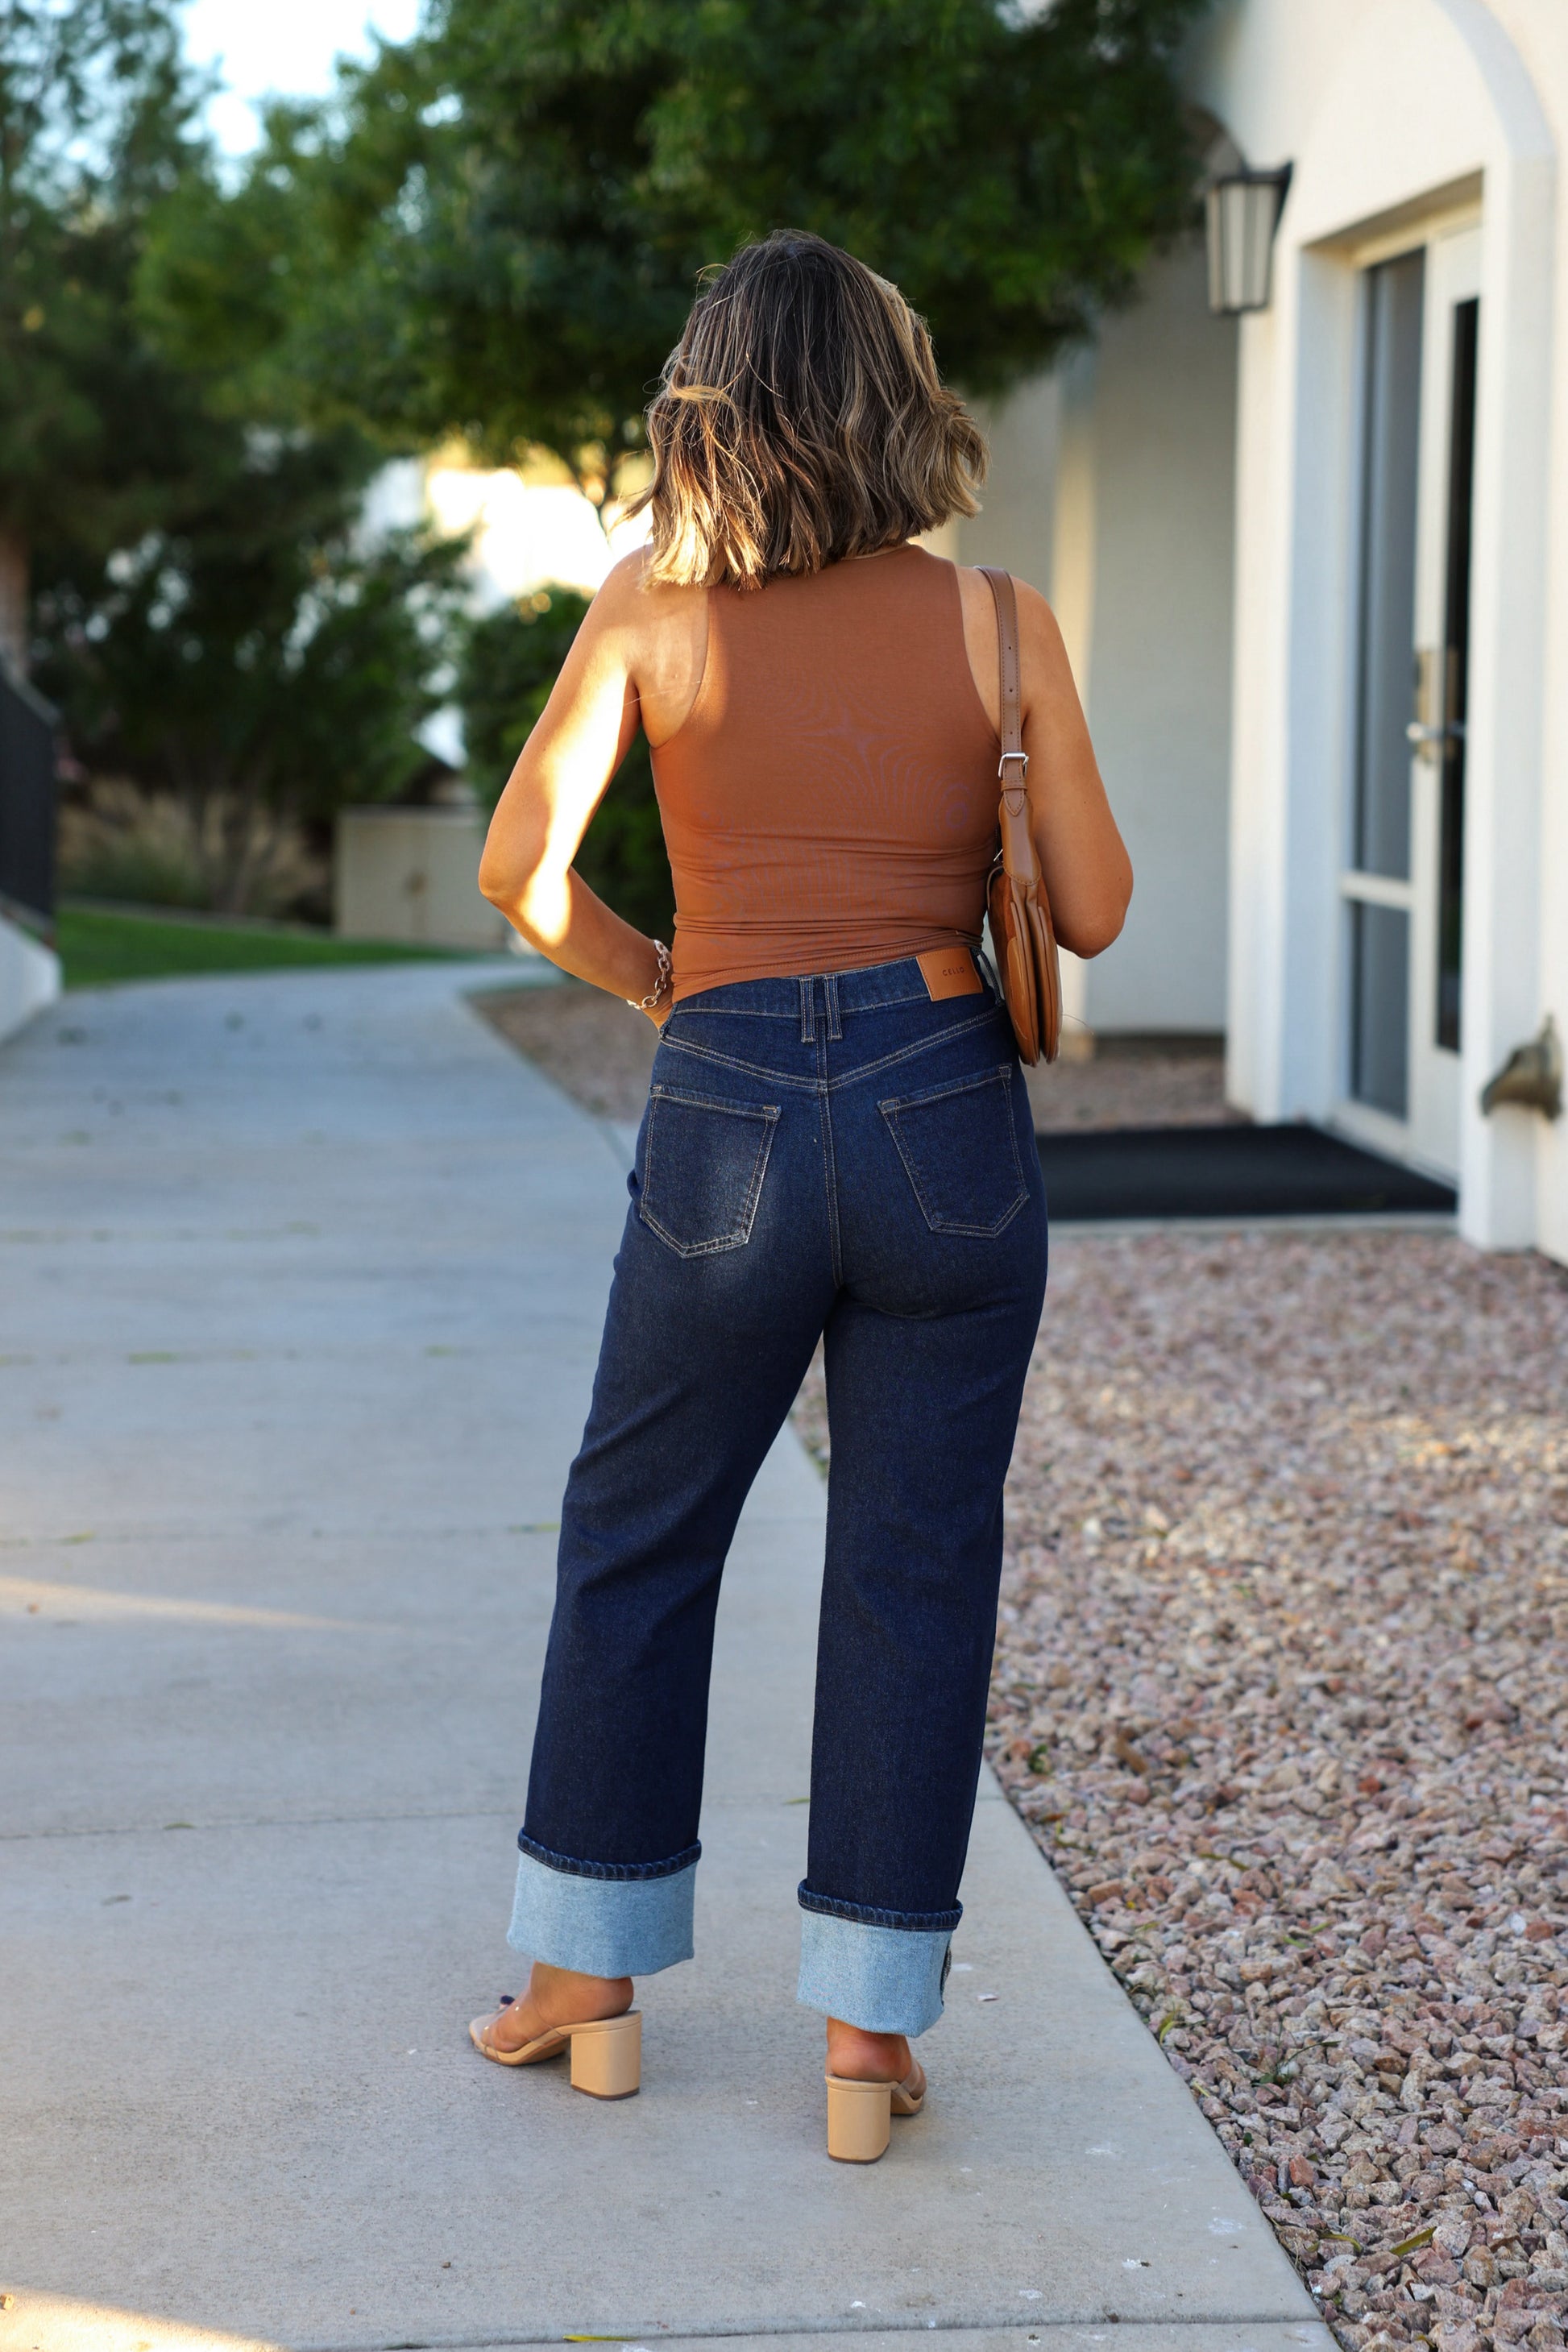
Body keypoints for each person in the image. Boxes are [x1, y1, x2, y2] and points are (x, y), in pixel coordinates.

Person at [470, 228, 1131, 2161]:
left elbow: (519, 873)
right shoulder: (1002, 622)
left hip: (725, 1105)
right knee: (914, 1560)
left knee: (638, 1526)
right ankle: (866, 2034)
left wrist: (664, 974)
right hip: (943, 1104)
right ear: (895, 400)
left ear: (713, 408)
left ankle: (585, 1985)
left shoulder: (649, 608)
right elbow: (1087, 913)